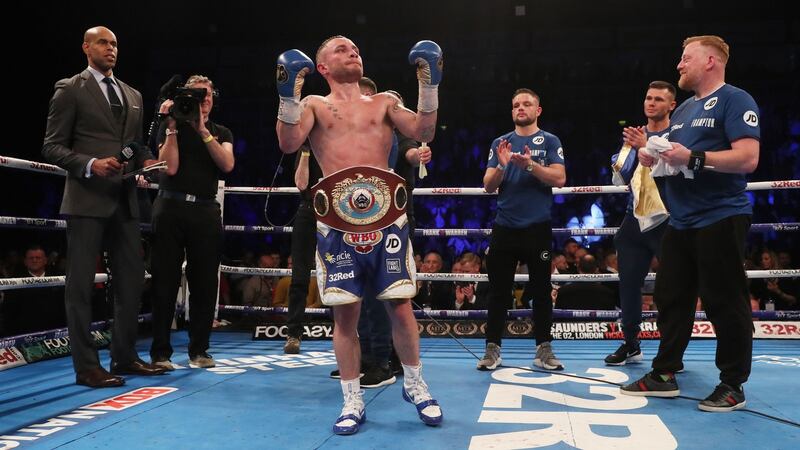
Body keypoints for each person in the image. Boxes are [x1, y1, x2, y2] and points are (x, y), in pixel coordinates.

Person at [275, 35, 443, 434]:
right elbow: (288, 142)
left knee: (400, 305)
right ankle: (353, 399)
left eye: (355, 48)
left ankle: (416, 386)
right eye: (341, 49)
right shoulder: (315, 105)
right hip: (336, 222)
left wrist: (430, 83)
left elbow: (424, 130)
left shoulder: (384, 101)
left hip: (387, 220)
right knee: (345, 314)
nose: (353, 51)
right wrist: (287, 96)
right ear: (323, 68)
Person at [621, 35, 760, 413]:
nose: (679, 65)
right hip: (681, 221)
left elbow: (748, 158)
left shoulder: (735, 99)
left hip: (721, 214)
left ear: (711, 61)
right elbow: (676, 162)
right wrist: (655, 159)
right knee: (670, 298)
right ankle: (664, 373)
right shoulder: (681, 113)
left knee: (724, 301)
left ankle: (733, 384)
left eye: (686, 58)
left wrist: (693, 157)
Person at [41, 26, 166, 387]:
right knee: (80, 286)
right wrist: (90, 164)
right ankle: (86, 367)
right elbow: (51, 146)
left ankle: (125, 356)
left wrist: (147, 161)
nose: (110, 49)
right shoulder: (70, 89)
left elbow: (134, 145)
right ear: (86, 47)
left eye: (114, 44)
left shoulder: (133, 94)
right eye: (103, 42)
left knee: (130, 282)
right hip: (85, 198)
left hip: (125, 200)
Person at [148, 74, 234, 370]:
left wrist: (202, 131)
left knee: (205, 283)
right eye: (196, 95)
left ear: (213, 98)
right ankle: (160, 353)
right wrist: (171, 127)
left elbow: (227, 164)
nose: (202, 99)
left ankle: (200, 350)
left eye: (206, 94)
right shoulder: (169, 125)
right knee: (164, 281)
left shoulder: (221, 131)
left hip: (205, 211)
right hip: (170, 205)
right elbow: (168, 167)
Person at [477, 88, 566, 372]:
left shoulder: (550, 140)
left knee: (540, 290)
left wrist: (530, 165)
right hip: (505, 225)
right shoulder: (500, 142)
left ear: (538, 110)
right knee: (498, 291)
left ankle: (544, 347)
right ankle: (492, 348)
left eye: (527, 104)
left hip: (537, 226)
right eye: (516, 105)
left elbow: (560, 178)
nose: (520, 108)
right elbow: (488, 186)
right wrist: (503, 167)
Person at [604, 81, 676, 366]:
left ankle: (672, 351)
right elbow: (619, 178)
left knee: (673, 288)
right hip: (635, 219)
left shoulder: (678, 134)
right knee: (629, 285)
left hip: (669, 220)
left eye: (659, 99)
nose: (652, 103)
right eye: (648, 98)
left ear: (671, 105)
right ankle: (631, 343)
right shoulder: (634, 136)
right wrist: (630, 152)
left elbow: (674, 170)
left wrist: (648, 147)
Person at [283, 143, 323, 354]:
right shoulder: (305, 148)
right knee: (299, 276)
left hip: (334, 212)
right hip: (308, 210)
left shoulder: (336, 142)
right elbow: (301, 183)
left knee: (341, 273)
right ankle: (293, 334)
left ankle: (347, 331)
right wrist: (307, 150)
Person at [1, 245, 66, 336]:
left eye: (38, 258)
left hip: (55, 330)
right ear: (25, 262)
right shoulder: (15, 282)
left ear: (45, 260)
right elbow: (9, 313)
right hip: (25, 333)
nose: (34, 260)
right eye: (31, 258)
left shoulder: (59, 279)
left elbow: (63, 307)